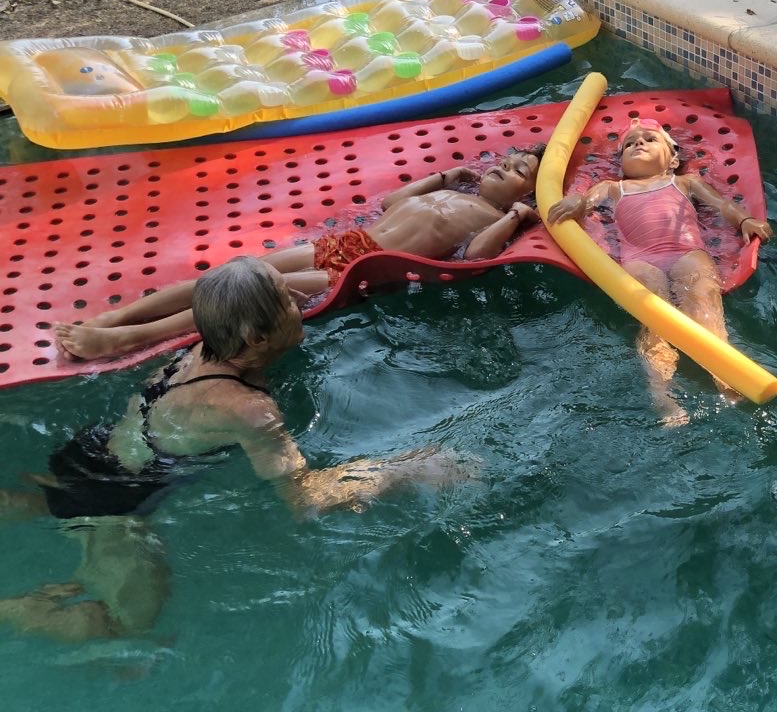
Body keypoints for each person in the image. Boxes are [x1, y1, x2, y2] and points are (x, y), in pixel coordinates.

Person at [1, 257, 471, 643]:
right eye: (286, 300)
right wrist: (408, 470)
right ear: (257, 338)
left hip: (87, 450)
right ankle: (13, 611)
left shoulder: (202, 346)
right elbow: (304, 499)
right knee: (129, 623)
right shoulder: (249, 410)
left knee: (58, 501)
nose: (297, 301)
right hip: (113, 502)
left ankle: (44, 506)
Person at [54, 149, 545, 362]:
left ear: (528, 193)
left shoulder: (490, 216)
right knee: (232, 272)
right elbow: (392, 204)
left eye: (519, 171)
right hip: (346, 242)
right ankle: (119, 316)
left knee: (248, 292)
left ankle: (129, 338)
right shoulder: (457, 191)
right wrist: (442, 176)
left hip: (359, 269)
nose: (506, 165)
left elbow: (474, 256)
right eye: (508, 159)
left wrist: (516, 217)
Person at [547, 121, 771, 425]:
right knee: (655, 322)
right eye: (629, 144)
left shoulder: (685, 182)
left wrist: (744, 220)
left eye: (649, 139)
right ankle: (663, 397)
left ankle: (727, 379)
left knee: (704, 306)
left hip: (687, 252)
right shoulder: (612, 188)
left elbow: (721, 205)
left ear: (673, 160)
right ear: (622, 163)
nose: (638, 144)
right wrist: (576, 200)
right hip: (641, 259)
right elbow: (585, 202)